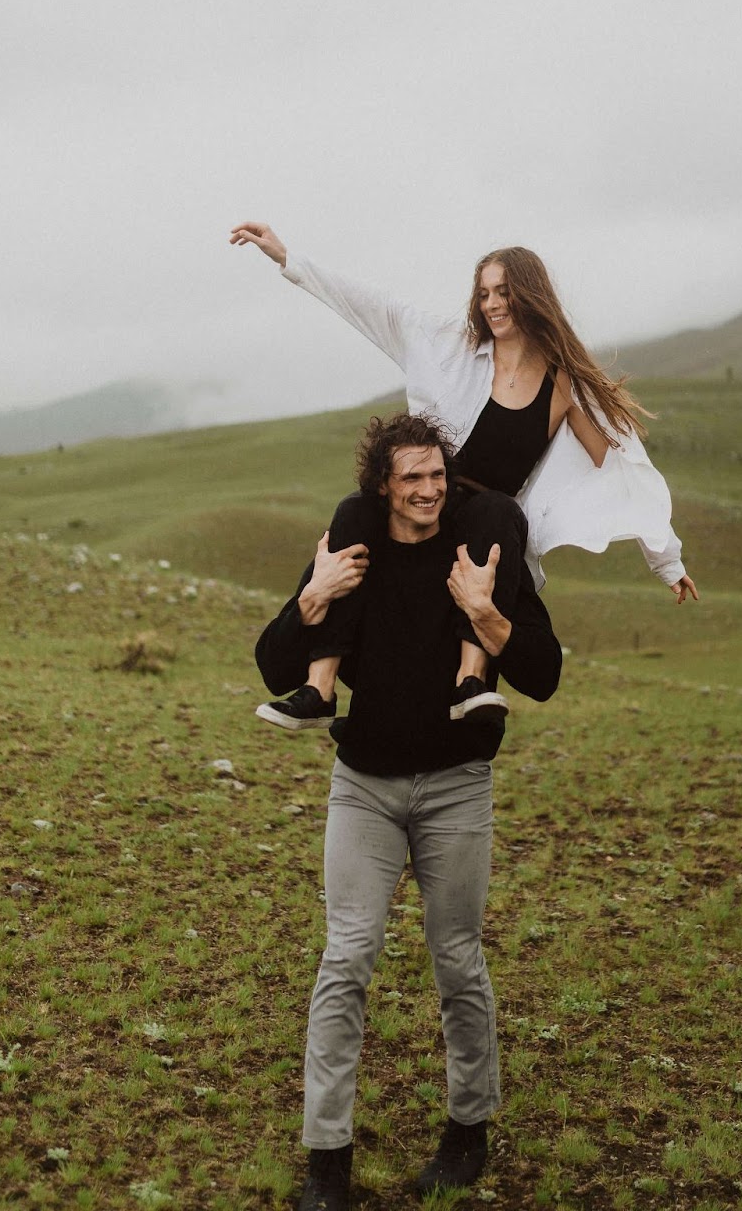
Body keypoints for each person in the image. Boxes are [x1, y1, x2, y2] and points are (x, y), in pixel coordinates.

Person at [255, 412, 562, 1210]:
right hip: (365, 785)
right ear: (383, 487)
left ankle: (469, 1129)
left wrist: (487, 611)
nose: (427, 492)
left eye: (436, 476)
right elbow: (271, 662)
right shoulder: (355, 545)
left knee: (456, 956)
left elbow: (545, 670)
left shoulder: (479, 551)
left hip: (457, 784)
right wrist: (313, 597)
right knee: (346, 956)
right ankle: (327, 1159)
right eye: (411, 479)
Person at [232, 221, 696, 731]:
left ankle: (470, 683)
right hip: (422, 499)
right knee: (355, 509)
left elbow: (622, 466)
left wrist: (665, 559)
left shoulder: (563, 382)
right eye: (484, 294)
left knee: (499, 509)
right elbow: (375, 306)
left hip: (485, 524)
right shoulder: (449, 345)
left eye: (504, 292)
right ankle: (319, 688)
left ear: (531, 294)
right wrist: (288, 259)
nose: (492, 304)